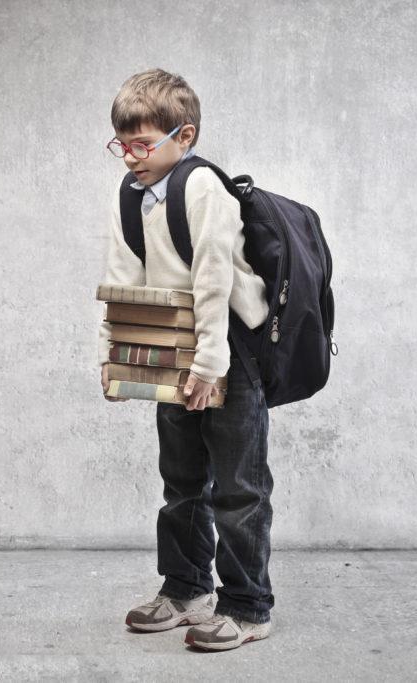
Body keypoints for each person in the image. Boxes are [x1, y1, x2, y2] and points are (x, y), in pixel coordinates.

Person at [96, 68, 274, 650]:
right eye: (122, 145)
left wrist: (209, 366)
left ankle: (248, 607)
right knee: (181, 480)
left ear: (185, 135)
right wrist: (118, 361)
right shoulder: (130, 194)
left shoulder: (202, 189)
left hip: (229, 351)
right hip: (174, 350)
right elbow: (127, 286)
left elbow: (214, 282)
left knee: (239, 487)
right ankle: (185, 589)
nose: (130, 158)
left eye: (144, 145)